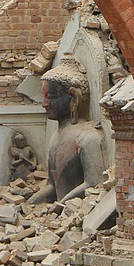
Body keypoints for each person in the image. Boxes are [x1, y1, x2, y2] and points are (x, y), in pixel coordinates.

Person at [28, 59, 107, 206]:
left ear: (74, 98)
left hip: (78, 212)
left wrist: (61, 206)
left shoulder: (87, 138)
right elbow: (53, 187)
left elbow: (93, 184)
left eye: (51, 97)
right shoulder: (55, 138)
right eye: (44, 97)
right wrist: (30, 204)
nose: (44, 104)